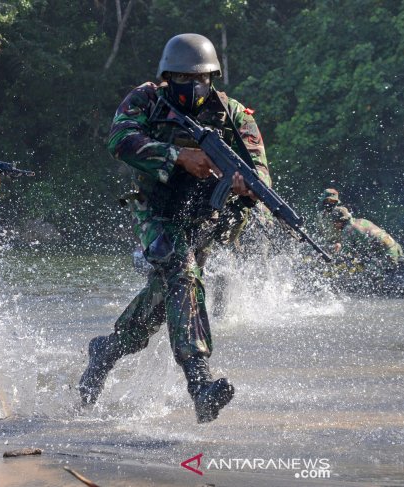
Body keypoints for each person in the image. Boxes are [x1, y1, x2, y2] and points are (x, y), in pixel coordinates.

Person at [78, 33, 271, 423]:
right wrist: (178, 156)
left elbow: (260, 173)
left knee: (166, 299)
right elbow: (120, 139)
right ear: (168, 76)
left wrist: (244, 186)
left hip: (202, 219)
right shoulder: (147, 99)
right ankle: (199, 383)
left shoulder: (234, 114)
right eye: (182, 79)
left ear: (212, 78)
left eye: (199, 79)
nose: (191, 87)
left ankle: (108, 349)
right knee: (184, 276)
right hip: (155, 212)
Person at [328, 206, 404, 285]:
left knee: (365, 275)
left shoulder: (348, 230)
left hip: (387, 256)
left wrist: (336, 251)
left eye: (333, 222)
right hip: (396, 248)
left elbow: (345, 254)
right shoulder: (361, 221)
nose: (333, 225)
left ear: (339, 221)